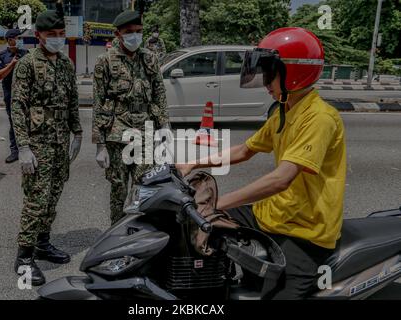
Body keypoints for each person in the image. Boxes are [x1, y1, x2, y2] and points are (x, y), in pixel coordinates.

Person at [177, 27, 347, 299]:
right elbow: (246, 150)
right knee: (203, 228)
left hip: (306, 229)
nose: (266, 81)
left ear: (293, 73)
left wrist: (218, 203)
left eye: (270, 73)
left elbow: (282, 178)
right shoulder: (285, 110)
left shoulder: (319, 118)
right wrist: (191, 164)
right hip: (274, 213)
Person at [11, 1, 83, 286]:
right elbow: (18, 106)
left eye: (60, 32)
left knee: (53, 197)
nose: (57, 38)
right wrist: (24, 147)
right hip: (38, 144)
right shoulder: (28, 63)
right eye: (51, 33)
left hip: (59, 143)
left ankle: (42, 243)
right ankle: (24, 258)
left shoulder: (65, 63)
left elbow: (73, 101)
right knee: (35, 202)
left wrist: (77, 133)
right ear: (39, 35)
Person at [92, 10, 170, 225]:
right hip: (117, 132)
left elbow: (159, 93)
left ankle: (141, 232)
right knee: (118, 187)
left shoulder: (150, 58)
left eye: (138, 31)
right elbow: (98, 102)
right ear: (118, 34)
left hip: (145, 129)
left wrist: (164, 125)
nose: (135, 36)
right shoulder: (105, 61)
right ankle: (116, 231)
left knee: (145, 185)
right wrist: (100, 144)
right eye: (129, 32)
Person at [0, 29, 28, 163]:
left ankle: (29, 148)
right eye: (17, 38)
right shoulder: (1, 55)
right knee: (14, 122)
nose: (20, 40)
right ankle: (15, 151)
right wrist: (11, 65)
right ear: (9, 40)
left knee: (29, 121)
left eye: (20, 38)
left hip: (27, 94)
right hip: (11, 94)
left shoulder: (26, 54)